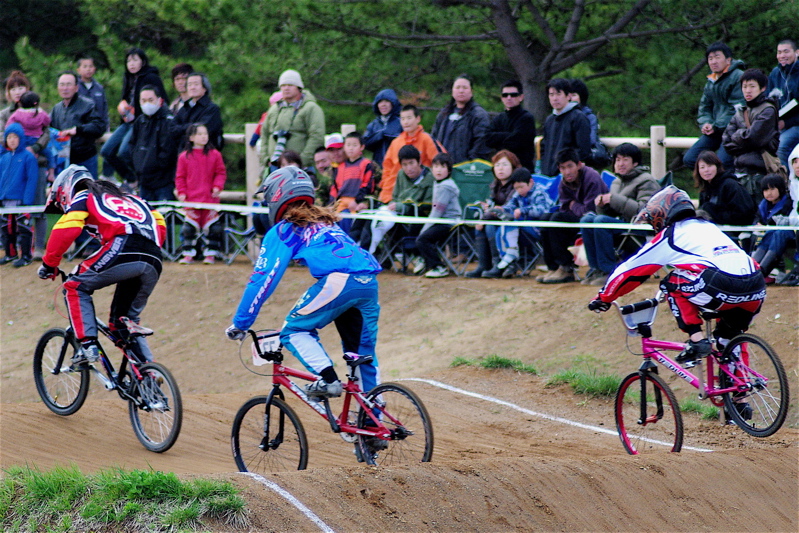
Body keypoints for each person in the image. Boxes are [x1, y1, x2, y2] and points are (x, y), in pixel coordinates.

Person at [225, 166, 382, 406]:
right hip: (368, 282)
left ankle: (328, 379)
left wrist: (241, 322)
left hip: (339, 282)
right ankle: (373, 425)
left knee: (294, 331)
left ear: (278, 196)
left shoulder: (285, 229)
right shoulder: (327, 221)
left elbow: (263, 279)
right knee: (362, 355)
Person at [589, 186, 766, 389]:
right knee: (729, 340)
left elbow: (630, 270)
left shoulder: (670, 235)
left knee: (670, 283)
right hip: (755, 286)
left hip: (721, 284)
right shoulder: (708, 226)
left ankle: (697, 340)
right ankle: (740, 399)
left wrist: (604, 297)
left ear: (662, 214)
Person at [38, 165, 167, 365]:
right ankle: (148, 374)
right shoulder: (135, 199)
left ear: (65, 192)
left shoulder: (85, 196)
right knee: (122, 322)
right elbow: (160, 224)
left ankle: (88, 346)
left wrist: (49, 263)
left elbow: (66, 229)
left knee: (74, 286)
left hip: (123, 246)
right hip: (154, 256)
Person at [579, 143, 660, 286]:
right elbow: (610, 213)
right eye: (617, 160)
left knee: (601, 222)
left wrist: (614, 199)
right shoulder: (617, 182)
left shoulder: (646, 180)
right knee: (587, 219)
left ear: (635, 162)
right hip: (622, 226)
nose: (620, 164)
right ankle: (596, 269)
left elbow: (644, 210)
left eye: (625, 160)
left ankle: (609, 270)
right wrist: (602, 205)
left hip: (639, 228)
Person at [1, 71, 52, 258]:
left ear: (28, 89)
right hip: (12, 167)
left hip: (36, 162)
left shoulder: (39, 112)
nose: (17, 91)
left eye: (21, 87)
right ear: (8, 92)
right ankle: (11, 247)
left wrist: (37, 146)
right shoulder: (5, 115)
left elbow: (47, 132)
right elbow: (2, 136)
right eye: (12, 88)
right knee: (9, 207)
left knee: (37, 203)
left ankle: (39, 247)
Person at [538, 148, 607, 284]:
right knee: (546, 219)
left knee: (557, 220)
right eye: (563, 168)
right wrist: (574, 206)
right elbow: (565, 207)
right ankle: (554, 267)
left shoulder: (591, 177)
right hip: (577, 218)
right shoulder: (563, 182)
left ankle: (566, 267)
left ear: (579, 164)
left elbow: (590, 210)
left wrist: (573, 205)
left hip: (594, 220)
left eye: (570, 166)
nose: (567, 172)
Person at [101, 48, 168, 184]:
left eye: (135, 60)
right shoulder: (128, 77)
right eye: (128, 61)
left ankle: (142, 177)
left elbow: (163, 101)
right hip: (127, 121)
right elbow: (125, 99)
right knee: (106, 151)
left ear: (142, 62)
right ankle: (131, 179)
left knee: (125, 151)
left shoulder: (151, 77)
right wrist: (122, 107)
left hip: (143, 121)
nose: (131, 64)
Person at [682, 42, 745, 170]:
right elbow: (704, 107)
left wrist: (715, 125)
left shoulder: (738, 76)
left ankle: (726, 188)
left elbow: (737, 108)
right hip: (716, 130)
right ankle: (710, 188)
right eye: (710, 59)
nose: (713, 62)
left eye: (717, 57)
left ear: (728, 60)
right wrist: (706, 123)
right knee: (690, 159)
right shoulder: (712, 80)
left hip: (733, 131)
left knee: (721, 163)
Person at [368, 145, 435, 255]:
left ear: (419, 161)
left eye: (411, 163)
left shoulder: (430, 177)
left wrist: (402, 206)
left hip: (421, 216)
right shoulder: (400, 174)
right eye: (404, 164)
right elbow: (395, 197)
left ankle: (414, 255)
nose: (409, 168)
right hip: (400, 215)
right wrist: (398, 206)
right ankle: (375, 254)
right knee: (373, 220)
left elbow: (427, 205)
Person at [175, 123, 227, 264]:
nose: (204, 137)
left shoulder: (215, 155)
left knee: (213, 228)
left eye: (205, 133)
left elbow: (220, 173)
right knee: (188, 228)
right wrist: (182, 192)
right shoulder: (183, 157)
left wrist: (217, 186)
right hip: (192, 198)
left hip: (210, 198)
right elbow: (180, 177)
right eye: (200, 134)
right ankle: (188, 254)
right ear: (191, 137)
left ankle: (210, 254)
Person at [722, 68, 781, 192]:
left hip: (760, 174)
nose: (748, 90)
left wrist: (738, 135)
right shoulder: (741, 112)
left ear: (763, 88)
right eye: (744, 87)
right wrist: (744, 137)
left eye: (752, 86)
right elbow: (727, 142)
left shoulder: (768, 110)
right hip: (740, 173)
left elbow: (753, 138)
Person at [465, 150, 521, 278]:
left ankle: (498, 264)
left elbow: (506, 209)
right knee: (483, 224)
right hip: (496, 219)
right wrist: (487, 209)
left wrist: (485, 217)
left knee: (488, 225)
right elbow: (494, 208)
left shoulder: (516, 185)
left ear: (513, 167)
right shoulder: (495, 185)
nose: (500, 168)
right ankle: (484, 265)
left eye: (505, 165)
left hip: (512, 222)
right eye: (497, 165)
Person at [492, 167, 554, 278]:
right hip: (524, 227)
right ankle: (506, 256)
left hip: (539, 228)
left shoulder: (539, 192)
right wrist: (502, 209)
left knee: (513, 223)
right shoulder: (518, 194)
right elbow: (511, 206)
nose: (519, 190)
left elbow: (543, 210)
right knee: (505, 224)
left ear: (530, 182)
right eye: (516, 188)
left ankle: (511, 254)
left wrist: (523, 210)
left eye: (521, 187)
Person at [261, 69, 325, 171]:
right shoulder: (274, 109)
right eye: (283, 85)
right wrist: (265, 158)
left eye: (290, 85)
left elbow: (316, 136)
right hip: (274, 165)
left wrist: (301, 161)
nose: (286, 88)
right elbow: (264, 134)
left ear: (299, 87)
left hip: (301, 167)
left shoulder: (311, 108)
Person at [379, 104, 444, 204]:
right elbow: (387, 169)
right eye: (403, 119)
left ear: (417, 119)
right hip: (392, 194)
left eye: (409, 118)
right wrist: (385, 191)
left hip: (418, 195)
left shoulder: (427, 139)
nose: (406, 122)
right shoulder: (396, 142)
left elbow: (442, 163)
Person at [50, 70, 105, 178]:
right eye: (62, 85)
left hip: (85, 158)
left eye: (68, 84)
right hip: (64, 160)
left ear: (76, 87)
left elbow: (99, 126)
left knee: (89, 193)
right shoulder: (56, 109)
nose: (65, 88)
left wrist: (78, 130)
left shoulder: (88, 105)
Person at [415, 152, 461, 278]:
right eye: (435, 166)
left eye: (442, 167)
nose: (438, 170)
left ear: (449, 170)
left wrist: (425, 228)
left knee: (423, 239)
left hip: (449, 222)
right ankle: (423, 260)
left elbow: (437, 212)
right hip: (441, 220)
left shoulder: (446, 186)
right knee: (416, 230)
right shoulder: (438, 183)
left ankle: (439, 267)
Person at [128, 85, 177, 201]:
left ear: (159, 100)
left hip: (163, 181)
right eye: (143, 100)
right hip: (144, 181)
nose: (147, 104)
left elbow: (168, 151)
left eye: (150, 100)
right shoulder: (140, 121)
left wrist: (154, 165)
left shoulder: (167, 120)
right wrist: (137, 164)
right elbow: (132, 145)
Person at [0, 123, 38, 266]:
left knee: (24, 229)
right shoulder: (3, 158)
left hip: (21, 201)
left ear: (21, 138)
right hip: (5, 201)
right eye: (9, 137)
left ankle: (26, 256)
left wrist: (27, 200)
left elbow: (31, 179)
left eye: (15, 137)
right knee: (6, 229)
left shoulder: (28, 157)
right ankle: (10, 254)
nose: (12, 140)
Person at [431, 75, 491, 164]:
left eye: (465, 87)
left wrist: (469, 164)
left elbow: (481, 143)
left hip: (466, 169)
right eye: (457, 87)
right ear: (452, 91)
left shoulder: (479, 115)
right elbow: (433, 139)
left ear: (471, 92)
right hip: (443, 167)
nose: (461, 91)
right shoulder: (444, 114)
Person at [539, 78, 591, 177]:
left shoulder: (578, 117)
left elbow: (583, 151)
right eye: (551, 94)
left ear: (569, 96)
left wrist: (566, 168)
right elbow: (544, 148)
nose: (555, 98)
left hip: (568, 177)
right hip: (548, 175)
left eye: (558, 94)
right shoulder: (549, 120)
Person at [694, 150, 756, 228]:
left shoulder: (730, 185)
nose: (706, 170)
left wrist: (713, 212)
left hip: (735, 230)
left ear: (717, 166)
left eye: (709, 166)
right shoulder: (704, 190)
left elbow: (743, 214)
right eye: (702, 167)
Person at [484, 80, 537, 171]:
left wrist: (498, 138)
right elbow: (487, 139)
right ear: (501, 98)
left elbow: (517, 142)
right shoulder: (498, 118)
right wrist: (509, 135)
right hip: (501, 169)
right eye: (505, 95)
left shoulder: (526, 118)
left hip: (522, 170)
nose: (509, 98)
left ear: (521, 97)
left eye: (513, 95)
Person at [329, 132, 375, 234]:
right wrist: (331, 204)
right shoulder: (339, 167)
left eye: (354, 145)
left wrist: (358, 200)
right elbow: (335, 188)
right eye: (348, 145)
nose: (351, 148)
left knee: (348, 224)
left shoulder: (366, 164)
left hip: (356, 202)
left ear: (362, 147)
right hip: (341, 203)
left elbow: (367, 185)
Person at [751, 174, 794, 282]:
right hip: (769, 235)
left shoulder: (788, 202)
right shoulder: (763, 205)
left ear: (780, 188)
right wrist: (758, 224)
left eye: (772, 189)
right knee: (769, 233)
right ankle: (752, 269)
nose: (769, 193)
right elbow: (757, 219)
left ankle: (762, 271)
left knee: (776, 233)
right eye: (765, 190)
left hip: (790, 234)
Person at [766, 39, 799, 170]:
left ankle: (783, 186)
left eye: (786, 51)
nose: (782, 56)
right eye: (779, 52)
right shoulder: (775, 73)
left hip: (795, 124)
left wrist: (786, 123)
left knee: (780, 146)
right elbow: (768, 99)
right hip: (778, 123)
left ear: (797, 52)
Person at [173, 72, 224, 151]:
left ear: (205, 88)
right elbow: (172, 129)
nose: (192, 87)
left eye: (196, 84)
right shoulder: (184, 108)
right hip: (184, 156)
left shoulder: (212, 109)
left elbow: (201, 131)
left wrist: (183, 129)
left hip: (205, 156)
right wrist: (191, 127)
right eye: (189, 85)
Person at [363, 88, 403, 168]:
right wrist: (380, 135)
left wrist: (389, 136)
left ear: (393, 103)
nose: (383, 105)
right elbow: (365, 143)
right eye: (380, 102)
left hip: (397, 166)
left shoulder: (401, 122)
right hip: (378, 167)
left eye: (386, 101)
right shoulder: (373, 124)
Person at [76, 57, 109, 132]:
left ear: (94, 69)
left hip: (97, 128)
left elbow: (104, 109)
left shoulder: (99, 88)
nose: (88, 69)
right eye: (85, 66)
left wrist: (106, 125)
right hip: (80, 128)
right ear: (78, 70)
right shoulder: (75, 87)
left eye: (91, 66)